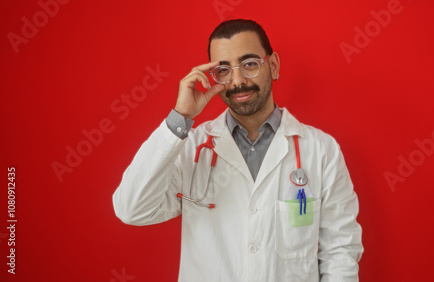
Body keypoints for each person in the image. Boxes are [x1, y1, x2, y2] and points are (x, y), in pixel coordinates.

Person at [113, 19, 363, 281]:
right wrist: (180, 117)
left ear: (273, 65)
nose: (238, 80)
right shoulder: (192, 149)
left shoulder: (321, 150)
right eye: (223, 69)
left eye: (250, 64)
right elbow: (131, 209)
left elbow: (340, 252)